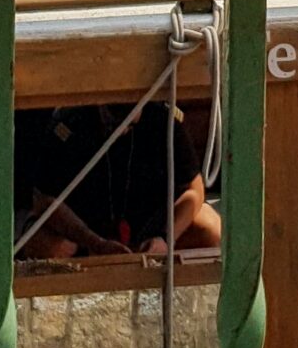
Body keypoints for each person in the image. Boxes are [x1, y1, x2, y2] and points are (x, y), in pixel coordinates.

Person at [14, 102, 222, 260]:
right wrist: (94, 242)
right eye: (113, 123)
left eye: (130, 123)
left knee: (210, 227)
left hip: (149, 228)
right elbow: (45, 201)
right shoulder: (71, 122)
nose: (122, 131)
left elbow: (194, 190)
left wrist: (166, 238)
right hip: (83, 233)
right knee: (52, 246)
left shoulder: (163, 117)